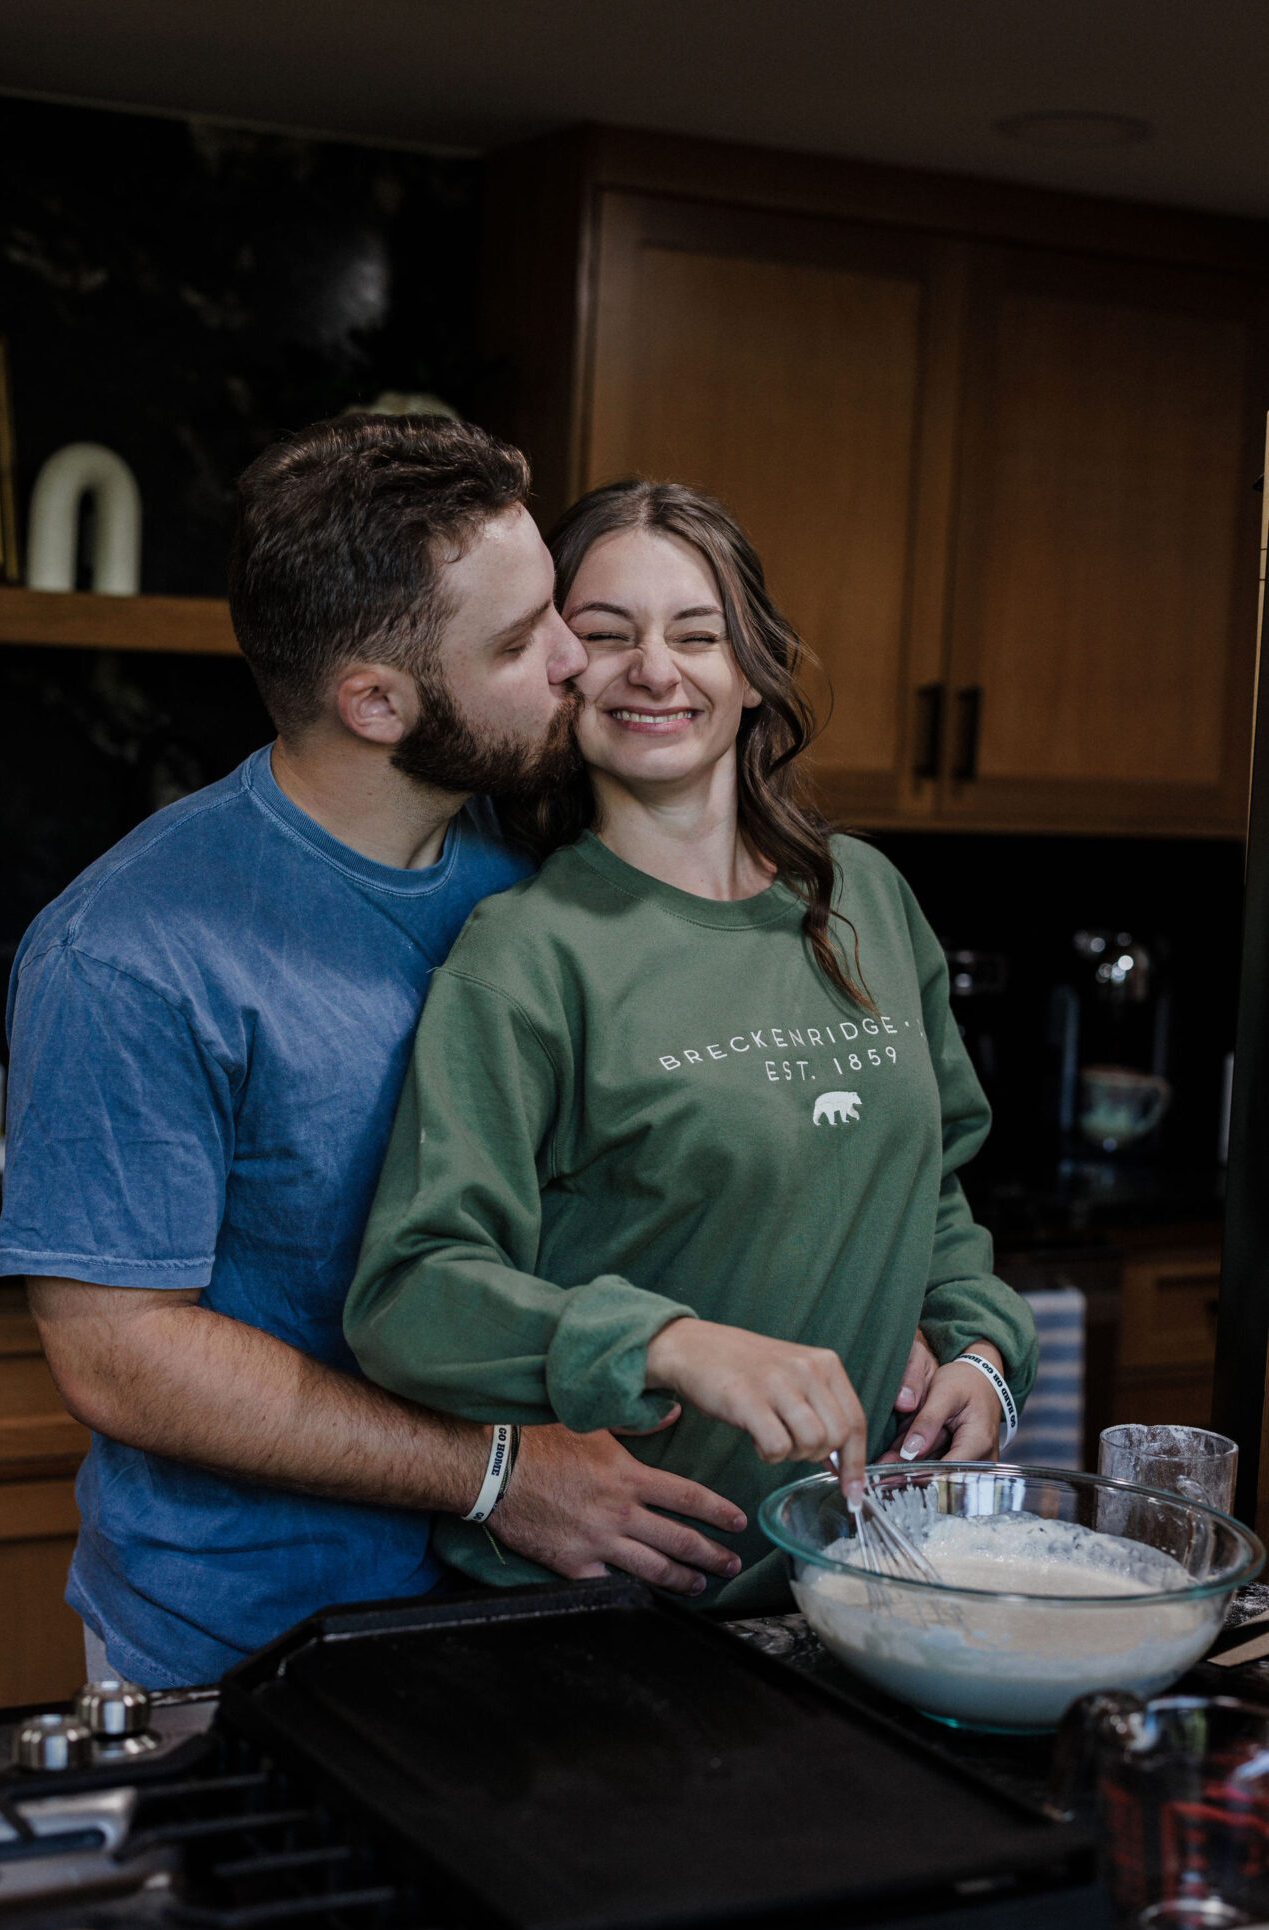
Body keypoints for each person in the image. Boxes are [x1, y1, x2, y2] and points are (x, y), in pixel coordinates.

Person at [0, 420, 756, 1689]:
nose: (579, 659)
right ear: (375, 700)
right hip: (241, 1651)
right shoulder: (129, 951)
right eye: (520, 642)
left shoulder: (539, 873)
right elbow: (119, 1355)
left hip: (534, 1608)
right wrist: (498, 1473)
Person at [345, 479, 1038, 1612]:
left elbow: (933, 1184)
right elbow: (410, 1296)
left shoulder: (862, 897)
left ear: (755, 668)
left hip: (845, 1587)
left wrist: (982, 1348)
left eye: (696, 634)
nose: (654, 671)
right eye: (606, 637)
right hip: (611, 1604)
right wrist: (668, 1341)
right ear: (560, 673)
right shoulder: (524, 953)